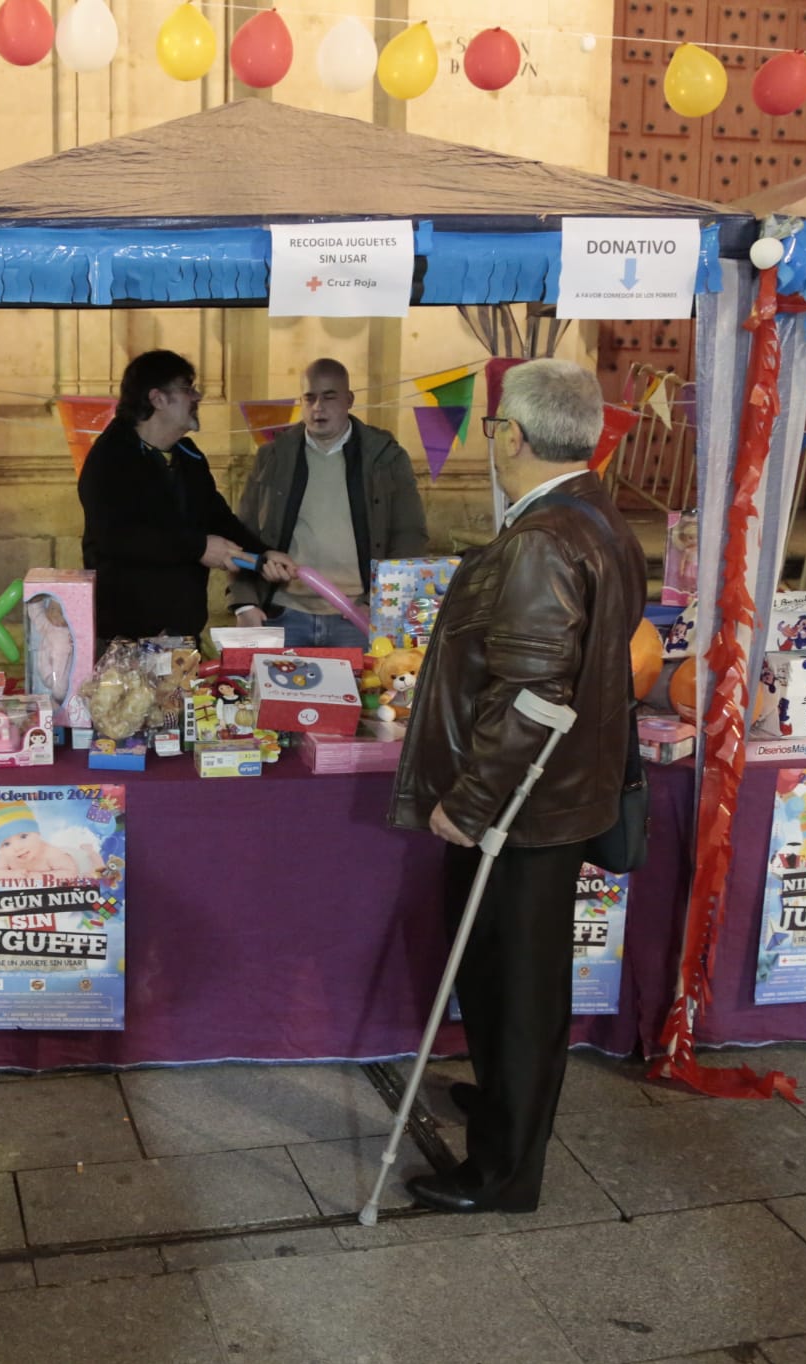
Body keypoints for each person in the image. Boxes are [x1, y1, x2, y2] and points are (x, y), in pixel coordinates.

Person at [389, 361, 646, 1215]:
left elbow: (533, 698)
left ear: (517, 437)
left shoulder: (543, 538)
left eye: (496, 424)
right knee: (508, 976)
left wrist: (468, 802)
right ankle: (502, 1100)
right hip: (556, 797)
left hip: (522, 808)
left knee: (518, 983)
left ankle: (502, 1169)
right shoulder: (595, 514)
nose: (490, 435)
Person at [78, 350, 295, 639]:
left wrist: (262, 554)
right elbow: (117, 537)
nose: (198, 396)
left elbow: (218, 519)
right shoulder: (110, 458)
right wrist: (199, 548)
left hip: (181, 631)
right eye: (187, 388)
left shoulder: (189, 455)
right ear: (157, 398)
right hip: (124, 637)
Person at [229, 359, 429, 648]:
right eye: (309, 398)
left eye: (329, 396)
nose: (318, 407)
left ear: (349, 400)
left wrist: (379, 602)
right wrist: (244, 603)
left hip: (357, 617)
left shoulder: (385, 458)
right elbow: (241, 535)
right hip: (284, 613)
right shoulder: (273, 457)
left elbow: (409, 535)